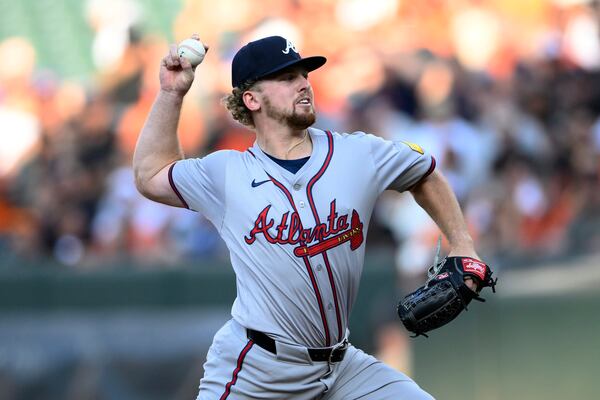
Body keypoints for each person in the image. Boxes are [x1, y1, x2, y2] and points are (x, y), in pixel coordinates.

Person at [133, 34, 484, 400]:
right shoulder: (225, 174)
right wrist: (171, 94)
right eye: (286, 78)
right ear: (251, 99)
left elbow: (424, 172)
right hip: (259, 372)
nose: (303, 83)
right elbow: (151, 174)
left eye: (304, 75)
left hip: (342, 367)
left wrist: (463, 245)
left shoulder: (356, 153)